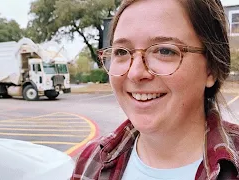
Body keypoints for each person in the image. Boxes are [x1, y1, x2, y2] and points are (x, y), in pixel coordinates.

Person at [71, 0, 239, 179]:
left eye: (164, 51)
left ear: (211, 69)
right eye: (121, 52)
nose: (135, 73)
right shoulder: (90, 160)